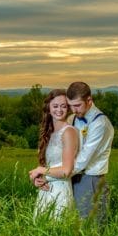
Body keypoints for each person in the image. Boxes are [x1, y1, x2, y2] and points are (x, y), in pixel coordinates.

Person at [66, 81, 114, 222]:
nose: (74, 110)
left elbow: (83, 160)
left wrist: (59, 174)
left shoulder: (100, 123)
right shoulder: (73, 118)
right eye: (70, 106)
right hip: (73, 175)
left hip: (91, 179)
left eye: (77, 105)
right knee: (73, 221)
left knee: (91, 224)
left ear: (89, 100)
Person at [28, 89, 79, 219]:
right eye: (55, 106)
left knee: (57, 231)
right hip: (45, 190)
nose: (59, 110)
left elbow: (67, 170)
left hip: (60, 191)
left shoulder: (69, 132)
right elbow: (46, 165)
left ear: (68, 108)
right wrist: (37, 180)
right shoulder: (49, 133)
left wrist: (41, 170)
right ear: (49, 109)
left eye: (63, 106)